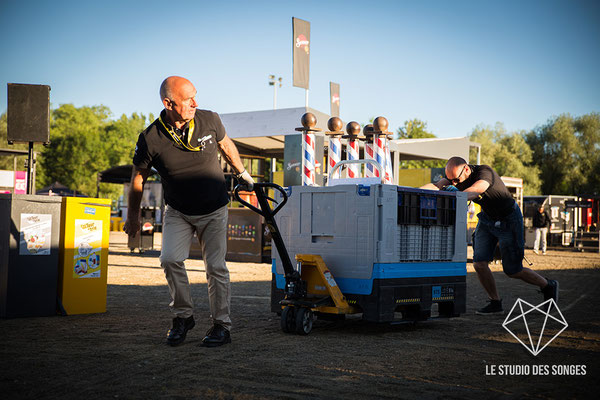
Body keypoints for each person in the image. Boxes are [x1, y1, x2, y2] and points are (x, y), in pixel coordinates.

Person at [124, 76, 254, 347]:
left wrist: (242, 173)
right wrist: (133, 217)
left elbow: (226, 145)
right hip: (178, 211)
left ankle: (221, 325)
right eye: (188, 99)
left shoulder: (210, 119)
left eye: (195, 95)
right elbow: (139, 178)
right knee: (170, 259)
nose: (195, 102)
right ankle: (183, 317)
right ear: (168, 103)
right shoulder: (150, 138)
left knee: (216, 267)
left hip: (214, 208)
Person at [421, 157, 558, 315]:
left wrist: (452, 196)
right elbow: (437, 186)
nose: (454, 184)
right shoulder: (455, 178)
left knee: (513, 270)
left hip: (509, 219)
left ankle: (547, 285)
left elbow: (474, 191)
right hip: (488, 220)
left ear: (466, 169)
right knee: (479, 264)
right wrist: (409, 191)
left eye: (456, 180)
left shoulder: (485, 173)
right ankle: (495, 302)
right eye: (451, 180)